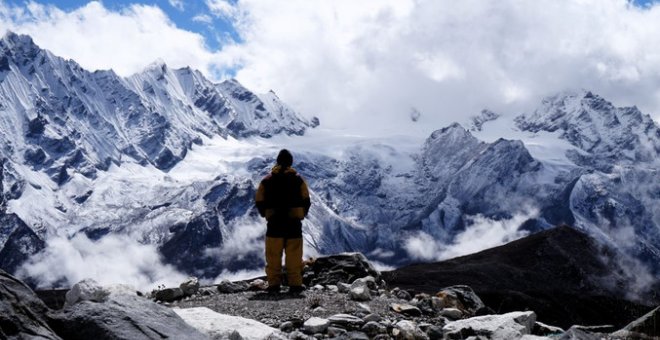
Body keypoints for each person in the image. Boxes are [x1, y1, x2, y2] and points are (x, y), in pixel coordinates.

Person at [255, 149, 311, 293]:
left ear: (277, 162)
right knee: (294, 254)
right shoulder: (298, 180)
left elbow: (259, 200)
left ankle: (274, 284)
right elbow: (306, 200)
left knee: (273, 255)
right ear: (291, 163)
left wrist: (265, 214)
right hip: (294, 223)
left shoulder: (267, 180)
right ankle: (295, 284)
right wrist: (301, 214)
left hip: (274, 223)